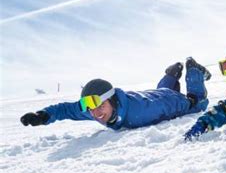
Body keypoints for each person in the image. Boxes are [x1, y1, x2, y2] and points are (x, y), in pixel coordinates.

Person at [20, 57, 211, 130]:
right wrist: (43, 115)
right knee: (162, 89)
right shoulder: (95, 109)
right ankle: (171, 73)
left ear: (111, 100)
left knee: (196, 102)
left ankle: (192, 68)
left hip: (164, 100)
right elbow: (67, 110)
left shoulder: (142, 113)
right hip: (153, 93)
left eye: (100, 106)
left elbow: (168, 104)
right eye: (91, 109)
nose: (96, 114)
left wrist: (191, 104)